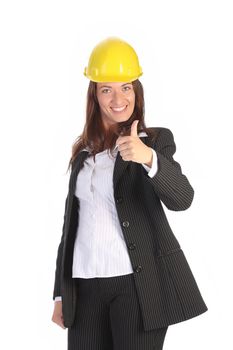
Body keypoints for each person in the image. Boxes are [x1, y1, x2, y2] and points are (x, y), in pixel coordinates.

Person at [51, 36, 208, 350]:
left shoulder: (153, 141)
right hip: (84, 290)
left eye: (126, 87)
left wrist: (148, 159)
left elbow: (183, 198)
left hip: (135, 287)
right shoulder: (84, 153)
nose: (118, 98)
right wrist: (60, 294)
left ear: (137, 91)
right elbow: (71, 230)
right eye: (106, 89)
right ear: (95, 95)